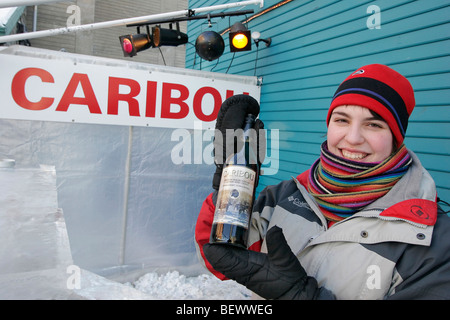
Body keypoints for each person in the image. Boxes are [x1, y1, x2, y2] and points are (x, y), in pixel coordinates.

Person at [194, 64, 450, 299]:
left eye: (373, 124)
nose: (352, 138)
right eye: (342, 120)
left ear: (396, 138)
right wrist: (226, 182)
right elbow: (219, 258)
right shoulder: (284, 197)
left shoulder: (432, 241)